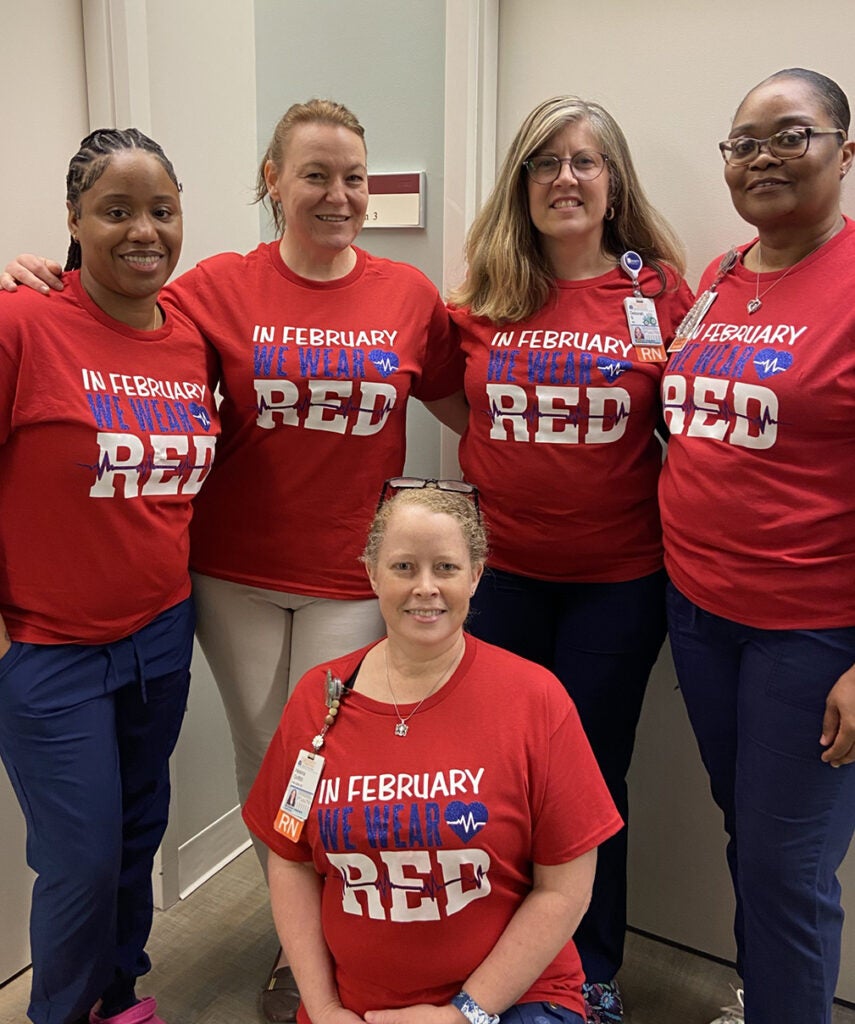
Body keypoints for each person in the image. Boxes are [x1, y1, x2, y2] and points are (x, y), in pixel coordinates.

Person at [1, 99, 464, 1022]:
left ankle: (335, 950)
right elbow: (112, 306)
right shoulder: (205, 289)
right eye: (315, 175)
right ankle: (299, 951)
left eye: (354, 178)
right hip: (222, 578)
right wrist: (39, 277)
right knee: (267, 767)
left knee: (330, 769)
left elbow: (469, 403)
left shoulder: (404, 296)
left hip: (328, 579)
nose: (338, 194)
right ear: (273, 184)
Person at [445, 96, 693, 1024]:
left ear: (614, 179)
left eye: (584, 161)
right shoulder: (477, 297)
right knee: (493, 774)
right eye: (544, 162)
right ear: (521, 183)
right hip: (497, 580)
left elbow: (689, 421)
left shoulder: (661, 294)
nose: (564, 178)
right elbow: (449, 396)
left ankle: (588, 972)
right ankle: (493, 962)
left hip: (618, 586)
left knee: (589, 780)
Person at [242, 479, 624, 1024]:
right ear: (371, 572)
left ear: (476, 574)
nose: (425, 587)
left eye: (445, 567)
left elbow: (565, 890)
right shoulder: (318, 696)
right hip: (352, 1008)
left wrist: (464, 1014)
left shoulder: (536, 699)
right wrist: (324, 1007)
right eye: (403, 567)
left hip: (511, 1000)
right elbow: (291, 862)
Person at [0, 129, 219, 1024]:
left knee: (135, 835)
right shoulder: (24, 323)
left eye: (160, 211)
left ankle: (115, 1000)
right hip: (50, 648)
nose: (144, 232)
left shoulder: (190, 339)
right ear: (73, 222)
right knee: (81, 859)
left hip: (160, 634)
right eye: (115, 211)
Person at [659, 68, 855, 1024]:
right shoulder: (720, 277)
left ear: (844, 153)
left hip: (811, 634)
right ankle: (771, 1000)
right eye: (743, 143)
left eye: (791, 135)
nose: (763, 157)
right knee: (754, 839)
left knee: (785, 869)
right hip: (700, 613)